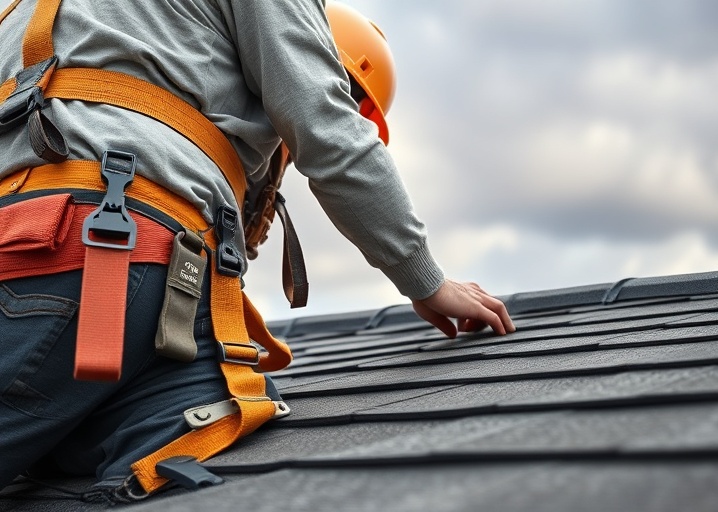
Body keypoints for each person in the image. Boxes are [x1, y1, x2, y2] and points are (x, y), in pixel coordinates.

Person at [0, 0, 515, 501]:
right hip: (93, 254)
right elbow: (329, 129)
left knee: (200, 421)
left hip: (150, 284)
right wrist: (424, 278)